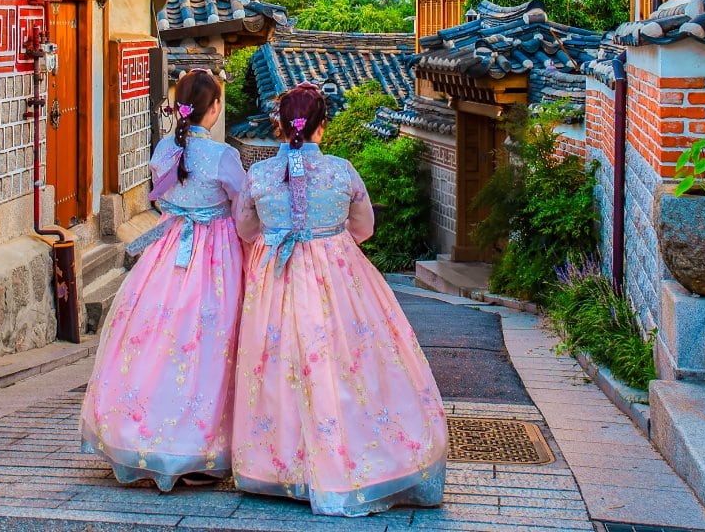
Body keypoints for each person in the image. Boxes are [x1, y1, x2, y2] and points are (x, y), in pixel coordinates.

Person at [230, 83, 447, 517]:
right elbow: (364, 227)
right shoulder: (342, 171)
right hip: (337, 276)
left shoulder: (259, 175)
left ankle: (278, 467)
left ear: (278, 124)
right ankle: (354, 459)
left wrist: (277, 238)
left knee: (278, 363)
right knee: (345, 362)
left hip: (277, 277)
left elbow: (244, 228)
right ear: (322, 125)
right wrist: (327, 239)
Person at [80, 69, 248, 490]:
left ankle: (141, 432)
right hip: (213, 256)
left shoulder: (163, 151)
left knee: (158, 338)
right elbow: (242, 208)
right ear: (213, 108)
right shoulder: (223, 156)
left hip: (168, 251)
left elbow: (164, 198)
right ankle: (199, 447)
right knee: (208, 341)